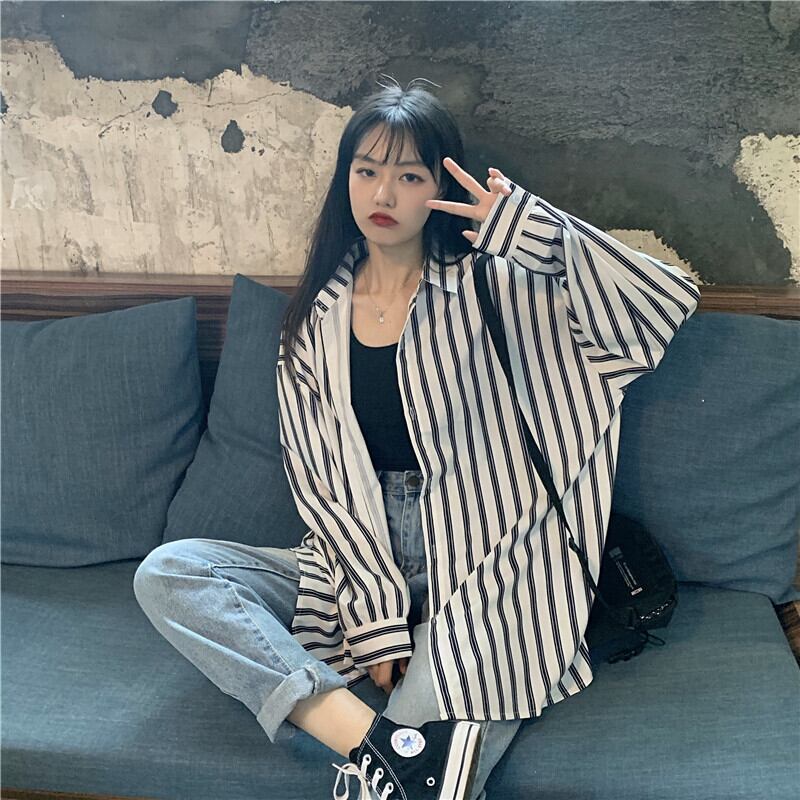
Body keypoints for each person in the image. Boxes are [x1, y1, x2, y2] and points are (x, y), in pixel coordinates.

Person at [134, 74, 701, 800]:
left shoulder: (503, 288)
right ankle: (384, 747)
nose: (384, 193)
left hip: (492, 565)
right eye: (366, 170)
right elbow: (322, 484)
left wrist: (528, 229)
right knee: (172, 573)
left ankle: (396, 757)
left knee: (396, 788)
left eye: (409, 176)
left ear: (438, 185)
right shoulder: (314, 321)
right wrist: (375, 619)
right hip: (357, 558)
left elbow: (661, 303)